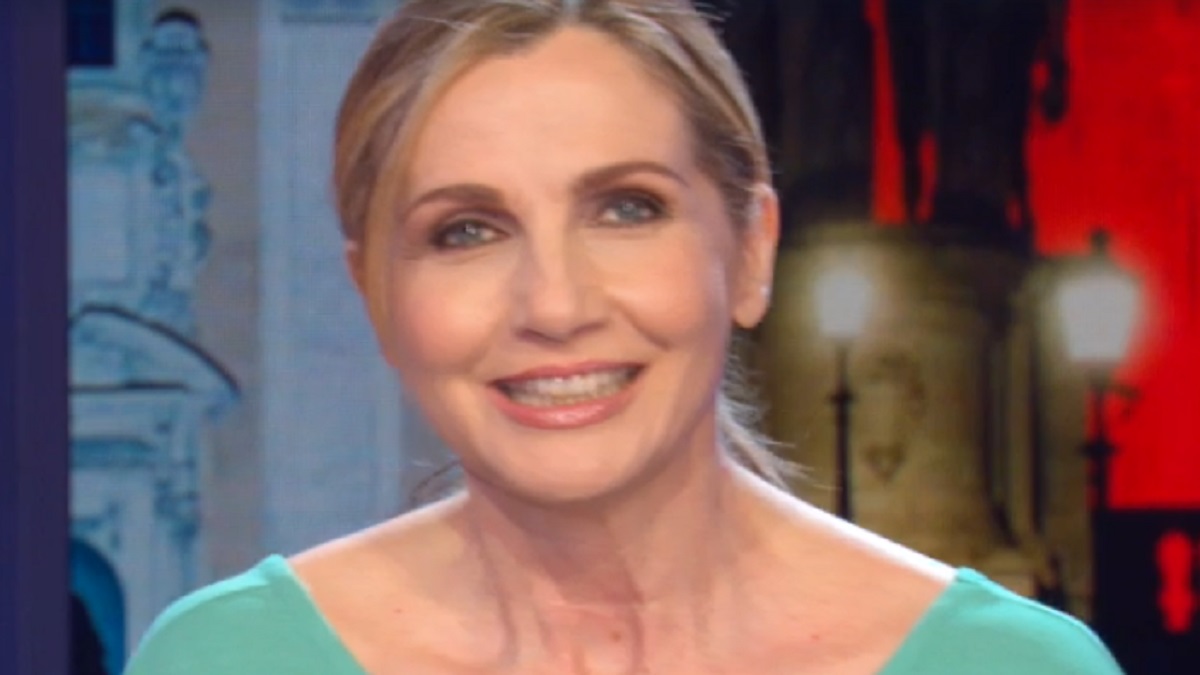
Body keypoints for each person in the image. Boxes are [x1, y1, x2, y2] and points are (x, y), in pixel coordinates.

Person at [124, 1, 1123, 673]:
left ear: (751, 247)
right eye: (466, 231)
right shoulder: (231, 658)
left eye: (627, 209)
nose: (555, 304)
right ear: (376, 292)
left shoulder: (1008, 666)